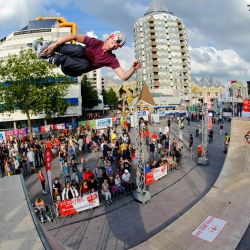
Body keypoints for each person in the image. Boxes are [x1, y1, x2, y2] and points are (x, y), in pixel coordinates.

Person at [32, 31, 141, 80]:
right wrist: (56, 44)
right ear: (108, 38)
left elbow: (123, 76)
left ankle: (52, 58)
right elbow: (74, 36)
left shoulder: (111, 59)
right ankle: (49, 47)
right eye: (112, 43)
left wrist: (132, 68)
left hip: (74, 69)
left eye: (116, 47)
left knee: (86, 64)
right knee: (80, 50)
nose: (113, 47)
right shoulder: (96, 43)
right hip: (72, 55)